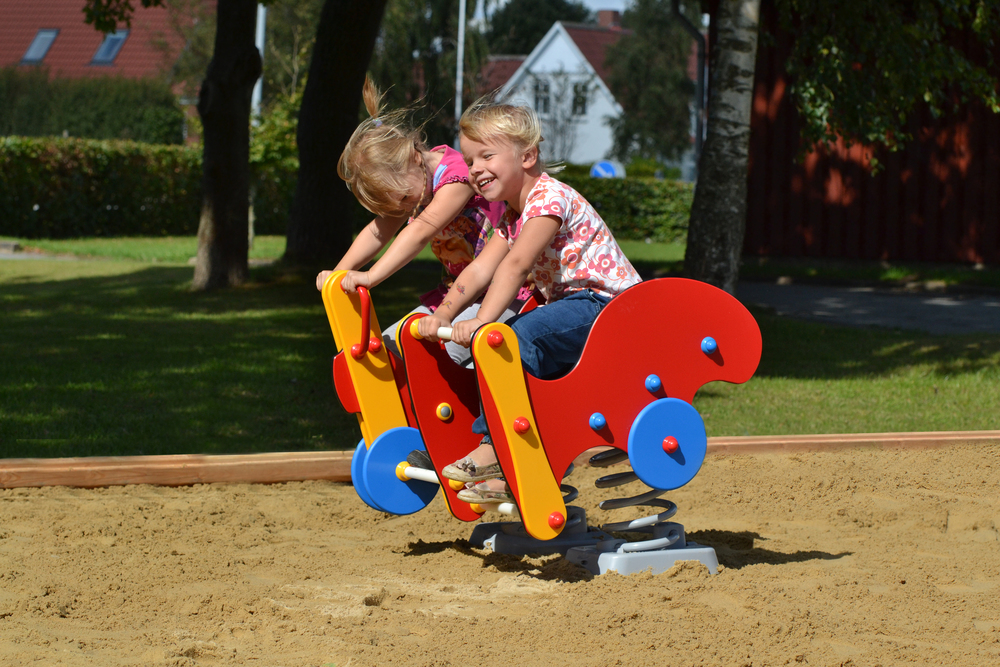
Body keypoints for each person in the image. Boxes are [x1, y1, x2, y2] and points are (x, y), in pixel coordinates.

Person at [416, 99, 642, 504]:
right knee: (518, 351)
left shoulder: (548, 199)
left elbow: (515, 266)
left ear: (528, 156)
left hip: (608, 308)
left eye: (487, 155)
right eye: (469, 160)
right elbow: (478, 270)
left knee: (511, 339)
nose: (475, 169)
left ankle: (495, 449)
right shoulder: (509, 216)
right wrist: (444, 314)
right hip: (574, 306)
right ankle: (523, 462)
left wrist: (483, 323)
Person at [316, 77, 528, 365]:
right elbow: (378, 231)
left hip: (504, 294)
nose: (404, 208)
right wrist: (339, 274)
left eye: (402, 199)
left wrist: (371, 277)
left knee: (434, 359)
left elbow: (419, 232)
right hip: (458, 293)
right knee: (389, 351)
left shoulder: (458, 176)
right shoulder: (413, 185)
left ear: (415, 157)